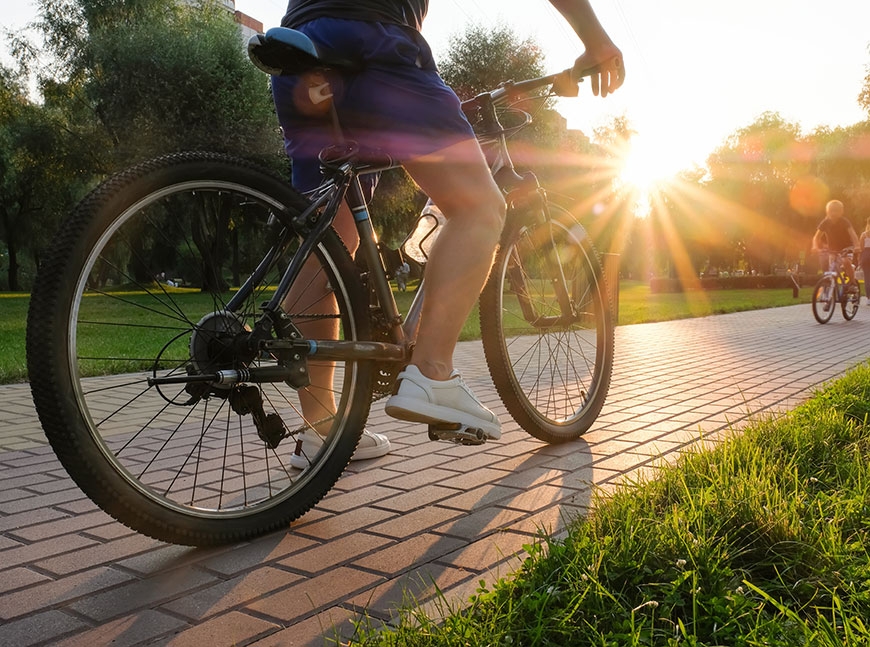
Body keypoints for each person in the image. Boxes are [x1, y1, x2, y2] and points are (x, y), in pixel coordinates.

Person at [272, 0, 624, 463]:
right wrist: (595, 38)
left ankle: (320, 430)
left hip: (299, 50)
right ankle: (432, 373)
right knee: (478, 207)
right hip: (372, 38)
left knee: (329, 245)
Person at [812, 199, 859, 284]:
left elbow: (853, 234)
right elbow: (816, 237)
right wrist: (815, 246)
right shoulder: (825, 222)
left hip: (846, 248)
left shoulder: (844, 222)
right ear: (827, 212)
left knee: (846, 261)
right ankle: (833, 289)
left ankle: (852, 283)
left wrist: (857, 246)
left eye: (836, 211)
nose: (833, 213)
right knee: (832, 269)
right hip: (832, 250)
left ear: (841, 212)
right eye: (831, 211)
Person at [859, 217, 870, 305]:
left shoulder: (864, 235)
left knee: (867, 278)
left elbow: (861, 248)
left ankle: (868, 299)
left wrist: (859, 260)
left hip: (865, 256)